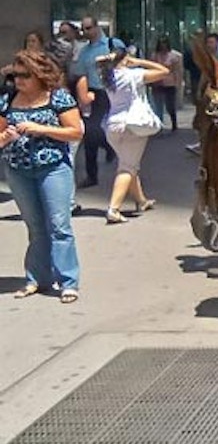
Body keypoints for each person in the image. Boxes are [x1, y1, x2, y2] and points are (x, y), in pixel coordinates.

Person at [0, 51, 85, 302]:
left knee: (59, 226)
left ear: (39, 75)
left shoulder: (58, 98)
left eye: (25, 76)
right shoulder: (8, 99)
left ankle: (68, 281)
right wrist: (5, 139)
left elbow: (75, 132)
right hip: (18, 170)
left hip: (53, 168)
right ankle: (37, 278)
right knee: (35, 227)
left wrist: (41, 129)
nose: (19, 81)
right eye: (15, 75)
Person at [98, 49, 170, 223]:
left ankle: (141, 201)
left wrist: (114, 58)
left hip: (112, 125)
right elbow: (164, 71)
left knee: (128, 163)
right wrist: (139, 62)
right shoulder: (133, 75)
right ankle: (114, 209)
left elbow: (98, 61)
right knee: (127, 168)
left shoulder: (106, 76)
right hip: (132, 125)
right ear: (125, 59)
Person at [71, 16, 122, 187]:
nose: (86, 32)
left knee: (110, 127)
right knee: (90, 130)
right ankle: (92, 173)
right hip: (95, 92)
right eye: (83, 29)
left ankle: (114, 151)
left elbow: (125, 59)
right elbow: (80, 74)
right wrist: (82, 95)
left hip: (113, 90)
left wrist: (111, 58)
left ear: (96, 27)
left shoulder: (111, 43)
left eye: (88, 28)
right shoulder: (84, 51)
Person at [149, 36, 184, 132]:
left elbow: (178, 70)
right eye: (161, 44)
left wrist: (178, 83)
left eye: (164, 44)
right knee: (158, 105)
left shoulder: (175, 56)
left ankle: (174, 123)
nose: (163, 46)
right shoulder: (155, 55)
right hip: (157, 82)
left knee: (170, 105)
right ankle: (159, 125)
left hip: (170, 83)